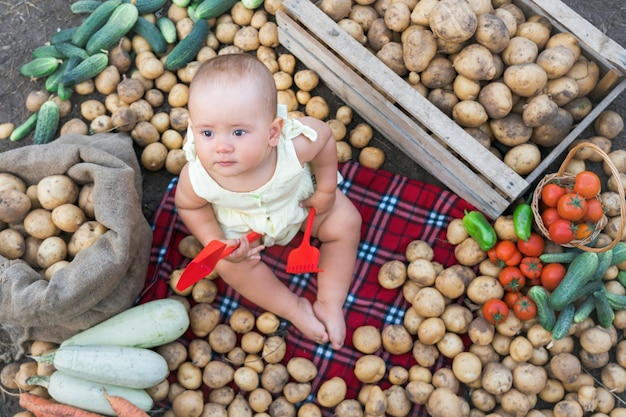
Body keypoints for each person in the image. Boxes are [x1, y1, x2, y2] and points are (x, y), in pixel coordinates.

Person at [174, 53, 362, 349]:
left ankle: (329, 301)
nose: (221, 147)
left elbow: (324, 137)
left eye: (238, 132)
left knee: (347, 222)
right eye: (207, 132)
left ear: (273, 132)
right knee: (229, 266)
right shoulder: (198, 176)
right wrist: (217, 243)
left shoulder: (293, 147)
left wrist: (326, 189)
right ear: (193, 128)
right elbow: (189, 205)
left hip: (301, 205)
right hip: (246, 230)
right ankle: (293, 308)